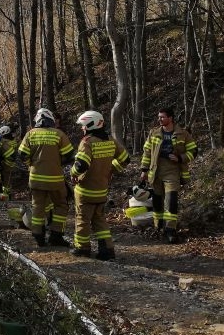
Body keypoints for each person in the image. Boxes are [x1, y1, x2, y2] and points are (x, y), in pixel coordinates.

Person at [69, 110, 130, 260]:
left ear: (90, 124)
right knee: (99, 220)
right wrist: (111, 169)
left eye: (83, 126)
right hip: (102, 190)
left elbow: (81, 164)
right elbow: (125, 159)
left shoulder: (87, 142)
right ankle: (107, 251)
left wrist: (73, 173)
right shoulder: (110, 140)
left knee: (82, 219)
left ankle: (82, 249)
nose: (82, 129)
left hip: (85, 190)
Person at [18, 107, 75, 247]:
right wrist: (58, 163)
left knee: (38, 206)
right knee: (61, 205)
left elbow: (22, 155)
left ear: (37, 120)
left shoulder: (30, 134)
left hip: (35, 179)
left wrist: (30, 164)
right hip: (55, 180)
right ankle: (56, 236)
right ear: (51, 120)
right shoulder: (59, 134)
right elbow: (69, 155)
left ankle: (38, 236)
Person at [140, 107, 198, 244]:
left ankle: (170, 229)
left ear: (170, 118)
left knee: (171, 200)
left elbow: (194, 150)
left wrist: (180, 158)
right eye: (159, 117)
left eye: (162, 117)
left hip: (173, 171)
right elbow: (147, 152)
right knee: (158, 201)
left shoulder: (182, 133)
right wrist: (144, 170)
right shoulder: (153, 133)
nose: (159, 119)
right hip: (156, 171)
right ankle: (158, 226)